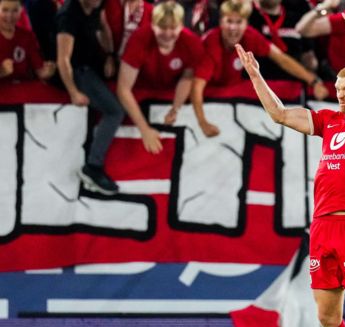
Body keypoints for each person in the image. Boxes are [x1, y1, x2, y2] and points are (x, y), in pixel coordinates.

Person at [237, 2, 345, 327]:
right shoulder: (327, 121)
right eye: (337, 86)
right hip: (321, 228)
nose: (339, 93)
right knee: (327, 315)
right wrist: (256, 76)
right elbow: (278, 114)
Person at [192, 0, 328, 136]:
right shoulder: (210, 44)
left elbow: (281, 58)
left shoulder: (250, 35)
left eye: (239, 22)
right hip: (213, 101)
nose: (233, 27)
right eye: (229, 21)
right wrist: (202, 122)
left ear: (246, 23)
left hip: (235, 102)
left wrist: (313, 80)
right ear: (221, 22)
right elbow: (197, 87)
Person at [117, 1, 214, 149]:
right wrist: (144, 129)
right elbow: (123, 89)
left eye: (173, 28)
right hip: (141, 90)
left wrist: (175, 108)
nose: (168, 34)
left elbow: (187, 77)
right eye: (162, 27)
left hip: (168, 91)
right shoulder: (139, 39)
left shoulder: (191, 43)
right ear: (153, 25)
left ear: (181, 25)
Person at [56, 0, 125, 194]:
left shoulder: (97, 6)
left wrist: (110, 55)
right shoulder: (68, 15)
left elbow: (103, 26)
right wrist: (73, 92)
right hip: (79, 70)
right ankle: (93, 167)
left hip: (93, 63)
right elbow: (63, 59)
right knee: (115, 111)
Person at [0, 0, 56, 82]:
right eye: (5, 10)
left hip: (24, 88)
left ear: (21, 11)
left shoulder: (27, 36)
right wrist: (1, 73)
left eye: (15, 10)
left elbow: (39, 70)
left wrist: (47, 72)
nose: (9, 16)